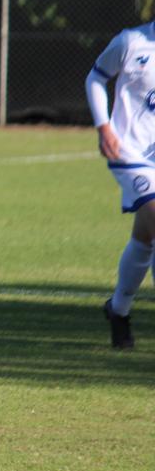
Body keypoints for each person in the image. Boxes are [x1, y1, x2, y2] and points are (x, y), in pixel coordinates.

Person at [88, 22, 155, 349]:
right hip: (129, 152)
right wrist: (103, 126)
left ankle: (118, 310)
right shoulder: (131, 42)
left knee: (145, 236)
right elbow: (96, 78)